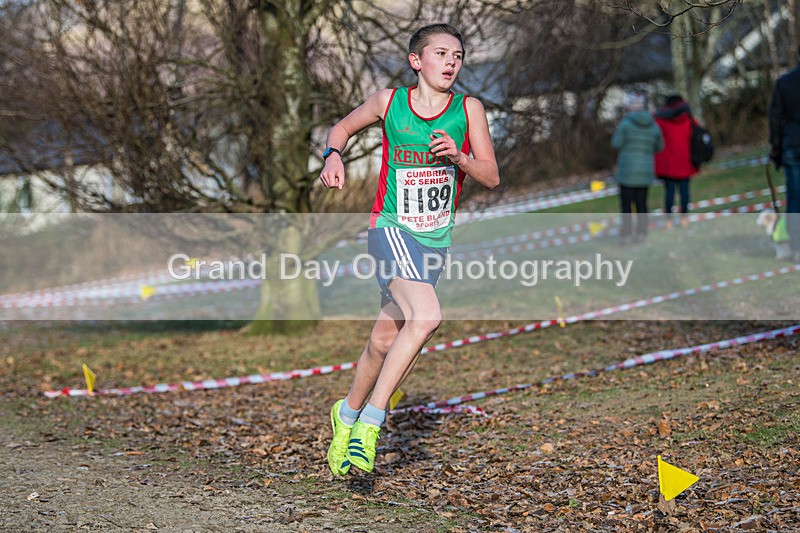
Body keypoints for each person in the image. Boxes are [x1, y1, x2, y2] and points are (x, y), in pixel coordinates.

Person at [318, 23, 499, 476]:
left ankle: (345, 414)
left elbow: (491, 176)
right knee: (428, 317)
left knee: (384, 341)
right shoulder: (389, 103)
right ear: (417, 61)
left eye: (457, 55)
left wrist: (459, 158)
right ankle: (371, 425)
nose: (451, 62)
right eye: (441, 53)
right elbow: (339, 129)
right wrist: (333, 156)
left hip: (434, 242)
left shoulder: (468, 109)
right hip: (391, 229)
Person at [611, 91, 664, 244]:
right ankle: (641, 233)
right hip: (645, 171)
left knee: (626, 205)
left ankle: (626, 234)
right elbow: (660, 146)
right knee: (642, 204)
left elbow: (616, 143)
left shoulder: (625, 124)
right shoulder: (653, 125)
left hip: (627, 171)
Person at [769, 44, 800, 261]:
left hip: (792, 144)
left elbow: (775, 120)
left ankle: (798, 249)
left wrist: (776, 148)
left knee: (795, 199)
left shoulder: (784, 82)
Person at [654, 94, 700, 228]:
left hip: (668, 164)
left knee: (669, 193)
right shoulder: (688, 119)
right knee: (685, 192)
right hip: (685, 162)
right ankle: (684, 218)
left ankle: (668, 220)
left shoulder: (660, 121)